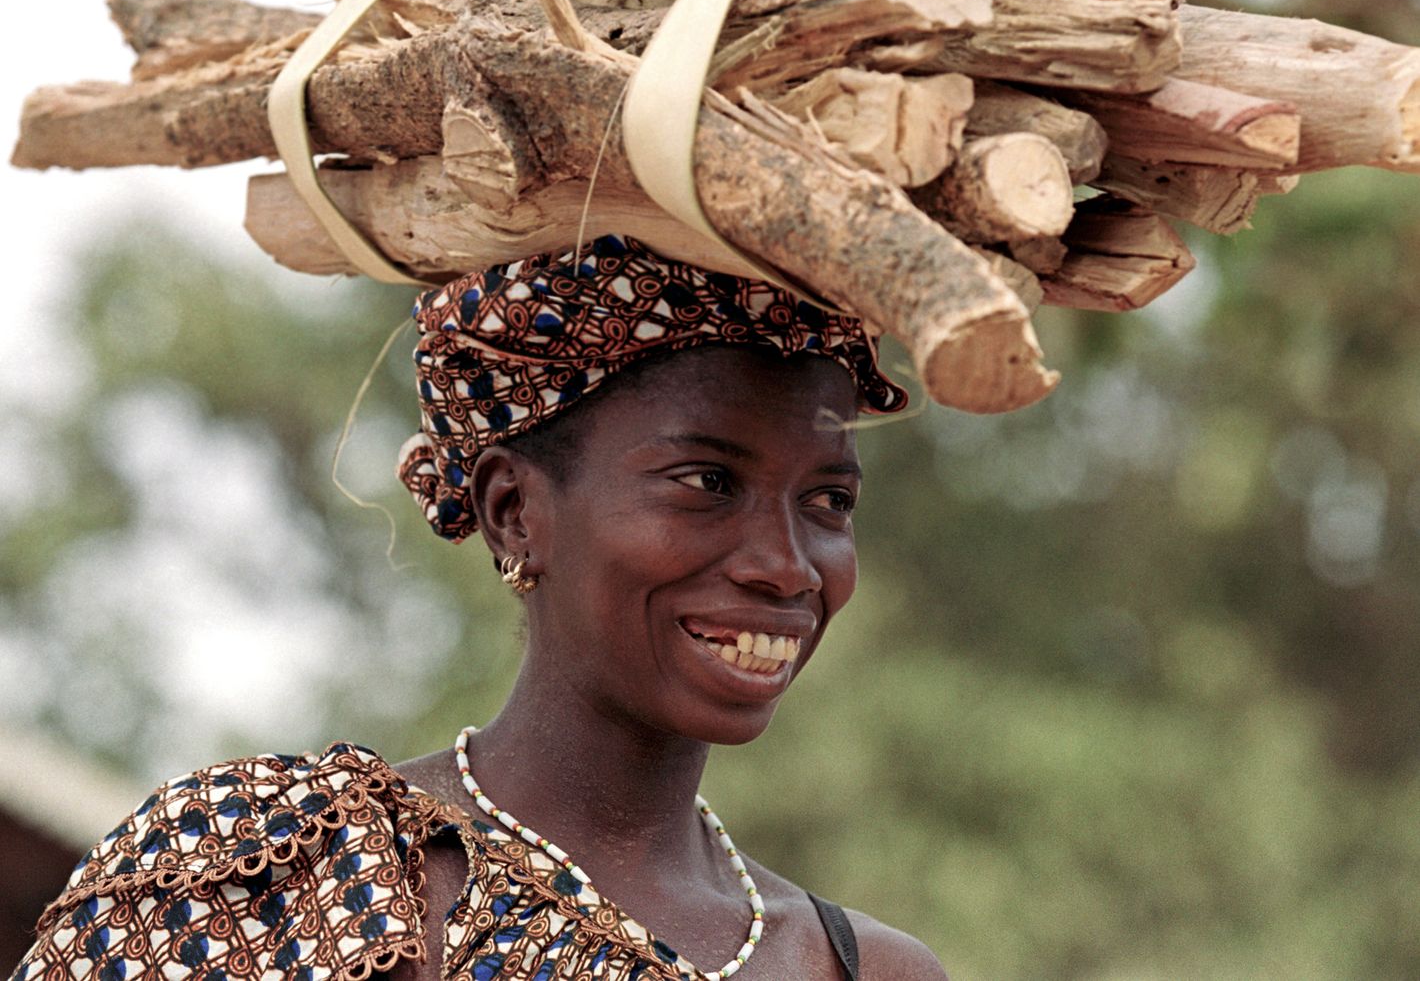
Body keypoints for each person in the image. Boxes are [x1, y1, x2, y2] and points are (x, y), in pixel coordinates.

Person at [8, 234, 949, 981]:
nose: (787, 567)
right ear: (514, 511)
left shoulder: (863, 970)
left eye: (829, 501)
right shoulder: (274, 873)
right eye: (706, 481)